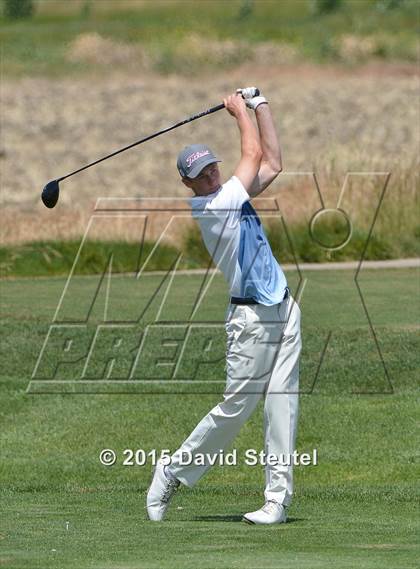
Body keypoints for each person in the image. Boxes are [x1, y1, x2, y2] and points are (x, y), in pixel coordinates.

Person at [147, 88, 302, 525]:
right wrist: (238, 111)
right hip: (250, 320)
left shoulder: (230, 192)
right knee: (237, 408)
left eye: (213, 166)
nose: (212, 175)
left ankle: (277, 501)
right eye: (202, 173)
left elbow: (273, 162)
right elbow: (251, 152)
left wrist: (261, 103)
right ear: (189, 184)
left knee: (282, 406)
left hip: (285, 309)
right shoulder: (213, 206)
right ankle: (172, 470)